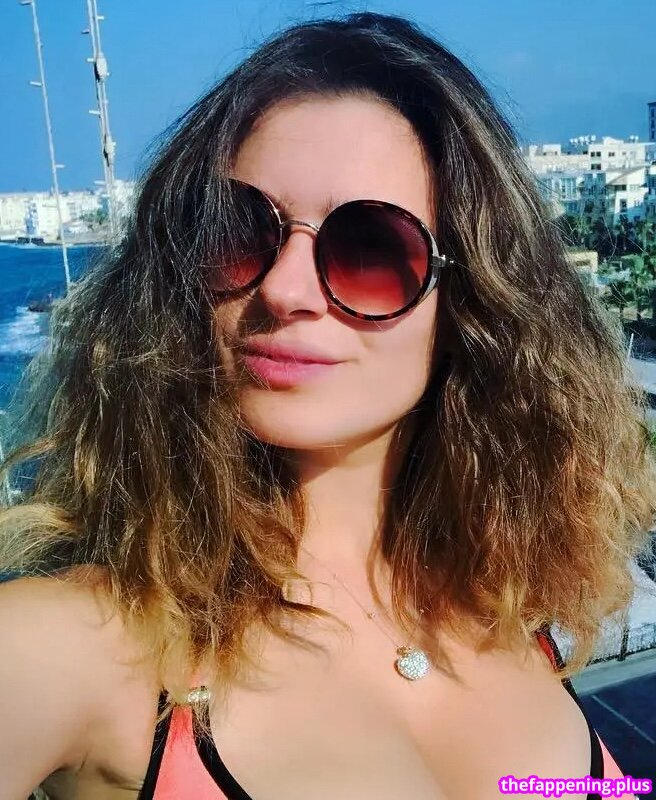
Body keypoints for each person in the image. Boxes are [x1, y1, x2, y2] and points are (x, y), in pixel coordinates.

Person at [1, 12, 654, 800]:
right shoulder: (73, 646)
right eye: (236, 230)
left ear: (471, 304)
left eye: (371, 247)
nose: (284, 289)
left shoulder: (510, 606)